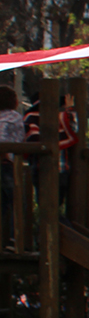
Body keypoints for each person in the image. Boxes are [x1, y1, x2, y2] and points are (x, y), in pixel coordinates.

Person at [0, 85, 23, 247]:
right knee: (14, 201)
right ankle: (14, 239)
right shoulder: (13, 116)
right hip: (6, 163)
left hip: (5, 161)